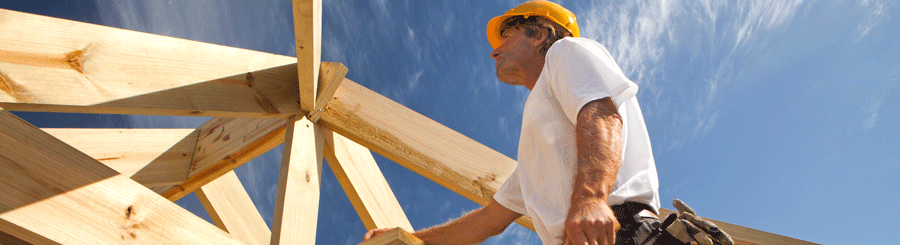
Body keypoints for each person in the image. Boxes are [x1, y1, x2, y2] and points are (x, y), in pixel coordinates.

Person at [365, 1, 662, 244]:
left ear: (540, 35)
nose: (495, 50)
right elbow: (489, 221)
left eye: (507, 36)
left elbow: (601, 115)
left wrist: (591, 197)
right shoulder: (541, 147)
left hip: (622, 233)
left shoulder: (565, 51)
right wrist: (406, 239)